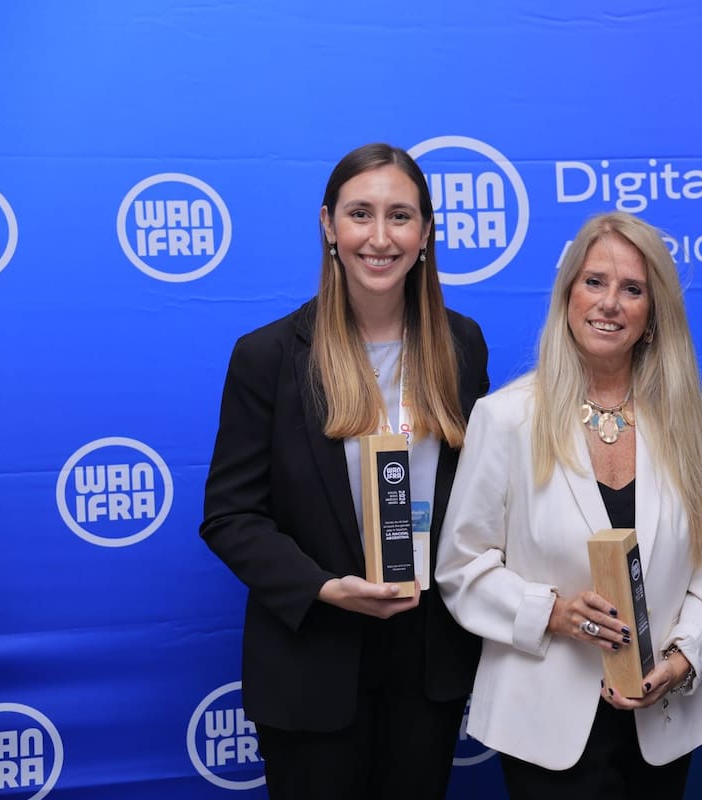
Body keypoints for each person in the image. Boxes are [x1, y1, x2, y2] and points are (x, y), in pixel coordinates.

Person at [200, 143, 489, 799]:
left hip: (426, 662)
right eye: (361, 214)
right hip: (313, 660)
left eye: (400, 216)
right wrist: (326, 589)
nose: (380, 238)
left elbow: (478, 497)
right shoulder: (268, 356)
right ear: (329, 225)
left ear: (426, 232)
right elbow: (230, 516)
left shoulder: (462, 345)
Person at [436, 211, 702, 800]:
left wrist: (681, 660)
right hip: (542, 719)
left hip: (664, 716)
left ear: (653, 316)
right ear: (568, 295)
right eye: (594, 282)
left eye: (633, 289)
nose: (610, 304)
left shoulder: (690, 418)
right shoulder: (506, 419)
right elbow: (461, 566)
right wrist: (550, 612)